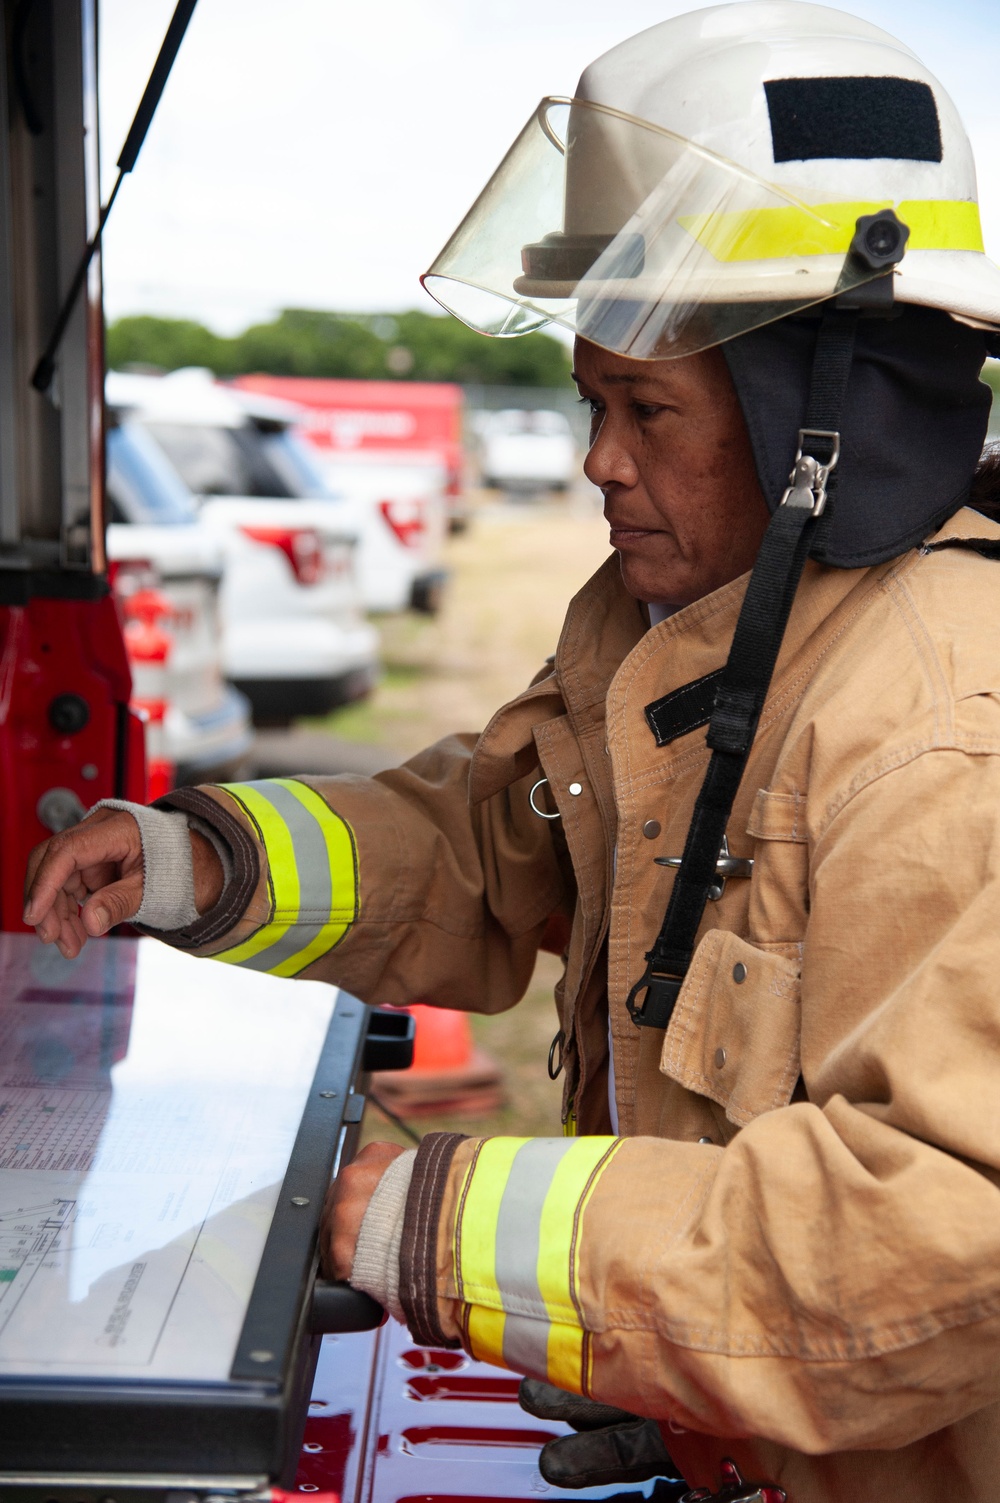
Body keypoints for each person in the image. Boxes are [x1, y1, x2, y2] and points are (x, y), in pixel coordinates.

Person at [22, 4, 1000, 1499]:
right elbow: (490, 845)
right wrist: (198, 858)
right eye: (588, 403)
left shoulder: (938, 730)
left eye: (646, 408)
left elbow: (928, 1242)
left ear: (828, 427)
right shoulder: (674, 629)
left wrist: (421, 1223)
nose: (601, 461)